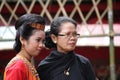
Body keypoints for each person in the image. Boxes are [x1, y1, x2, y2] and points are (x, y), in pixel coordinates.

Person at [4, 14, 45, 80]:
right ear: (22, 39)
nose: (41, 45)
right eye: (38, 40)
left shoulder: (26, 63)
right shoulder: (17, 66)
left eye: (43, 41)